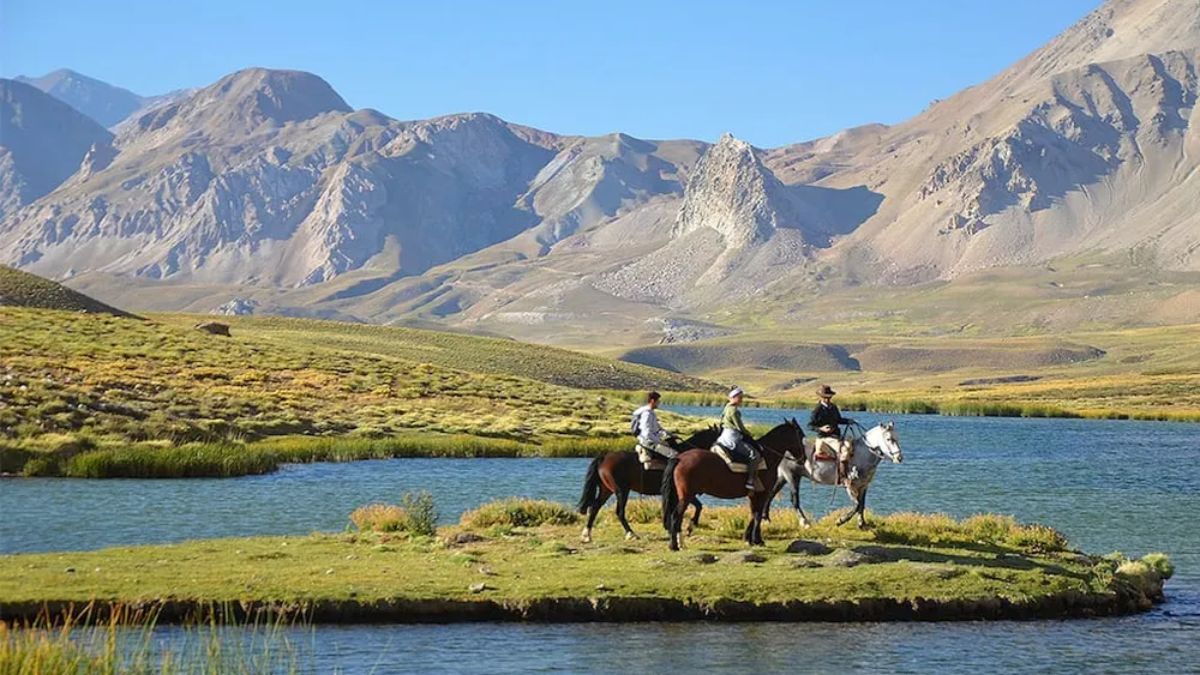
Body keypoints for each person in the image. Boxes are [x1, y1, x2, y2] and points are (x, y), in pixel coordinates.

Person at [808, 384, 856, 484]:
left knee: (850, 445)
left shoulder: (833, 407)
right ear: (821, 397)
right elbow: (810, 425)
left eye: (829, 397)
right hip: (824, 437)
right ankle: (843, 478)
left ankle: (850, 470)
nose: (828, 399)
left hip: (836, 436)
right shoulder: (817, 410)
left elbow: (838, 420)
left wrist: (848, 421)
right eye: (825, 397)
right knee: (844, 451)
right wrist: (821, 429)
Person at [717, 386, 759, 492]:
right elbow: (740, 427)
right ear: (734, 397)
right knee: (755, 455)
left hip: (723, 437)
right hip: (732, 438)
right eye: (740, 397)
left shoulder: (727, 407)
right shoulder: (734, 411)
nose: (741, 400)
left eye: (741, 397)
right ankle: (750, 481)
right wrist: (749, 434)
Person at [631, 392, 678, 464]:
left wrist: (670, 435)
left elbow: (657, 429)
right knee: (674, 455)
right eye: (658, 401)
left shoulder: (650, 412)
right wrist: (660, 442)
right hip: (648, 442)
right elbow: (647, 433)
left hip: (651, 440)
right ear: (653, 401)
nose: (659, 403)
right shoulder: (647, 414)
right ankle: (667, 475)